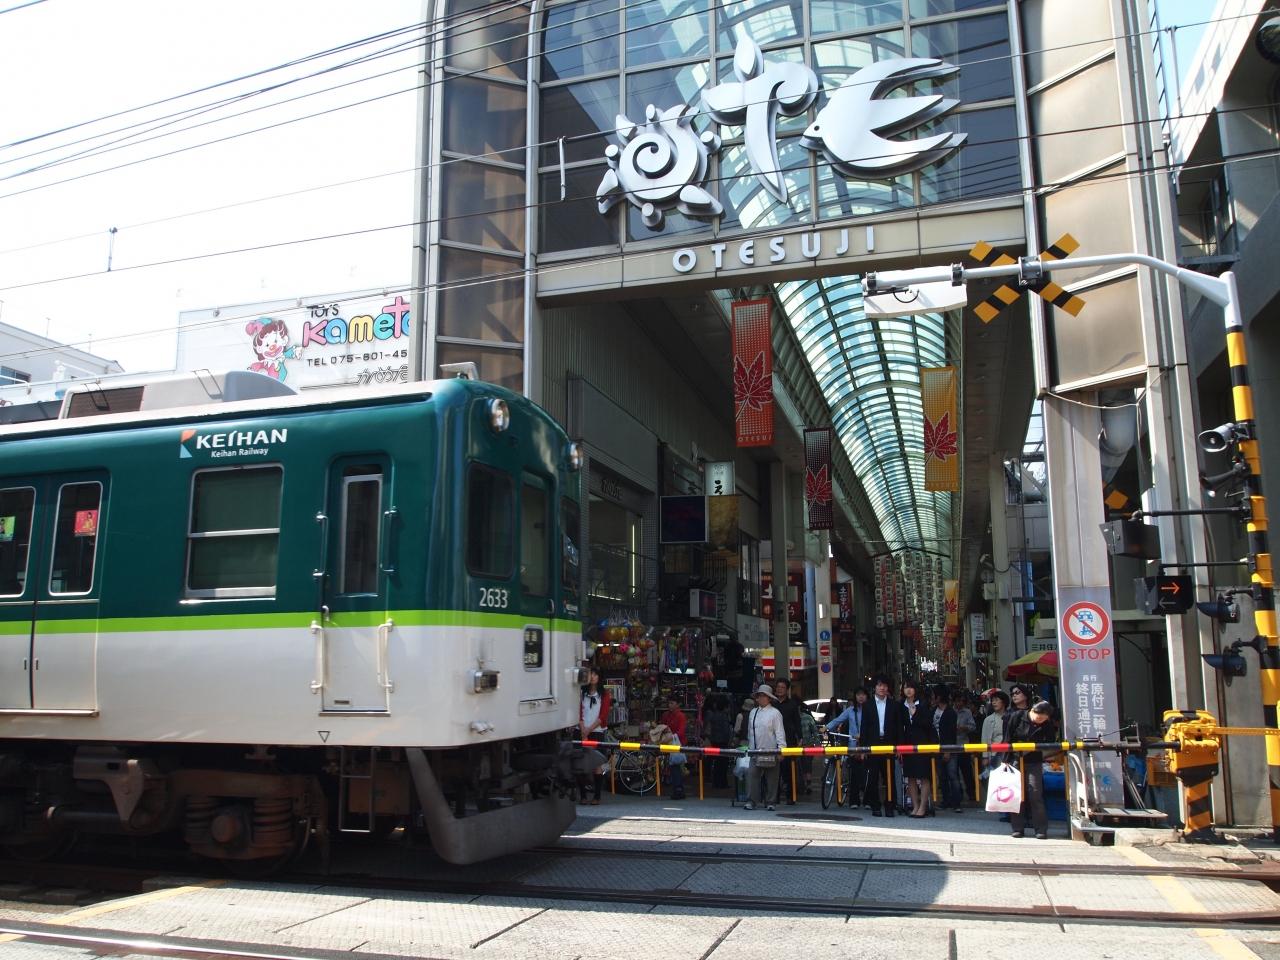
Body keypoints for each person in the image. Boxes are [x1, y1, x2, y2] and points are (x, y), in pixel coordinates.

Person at [1004, 700, 1059, 839]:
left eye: (1043, 719)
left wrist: (1034, 747)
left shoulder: (1046, 724)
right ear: (1032, 711)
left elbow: (1050, 741)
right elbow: (1007, 738)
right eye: (1038, 717)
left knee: (1035, 794)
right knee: (1017, 794)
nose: (1039, 720)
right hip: (1015, 759)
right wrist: (1005, 760)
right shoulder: (1017, 716)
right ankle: (1017, 828)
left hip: (1034, 760)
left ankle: (1041, 829)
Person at [858, 676, 902, 817]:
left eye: (884, 685)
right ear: (875, 688)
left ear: (888, 688)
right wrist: (863, 748)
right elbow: (864, 728)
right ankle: (875, 805)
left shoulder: (894, 705)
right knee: (873, 777)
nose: (882, 688)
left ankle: (890, 805)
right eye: (879, 685)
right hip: (873, 744)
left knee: (889, 776)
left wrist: (899, 747)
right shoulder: (868, 705)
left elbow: (899, 727)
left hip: (889, 744)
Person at [744, 683, 787, 811]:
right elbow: (750, 732)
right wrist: (749, 746)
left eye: (764, 696)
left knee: (772, 778)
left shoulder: (775, 713)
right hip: (755, 750)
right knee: (752, 776)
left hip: (771, 749)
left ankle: (771, 801)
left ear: (769, 698)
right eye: (760, 696)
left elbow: (779, 732)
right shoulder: (753, 712)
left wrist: (781, 749)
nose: (761, 698)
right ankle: (751, 800)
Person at [823, 686, 867, 807]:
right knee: (854, 773)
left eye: (863, 694)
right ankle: (854, 801)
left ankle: (868, 799)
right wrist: (826, 727)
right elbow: (838, 720)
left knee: (867, 773)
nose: (861, 697)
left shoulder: (870, 709)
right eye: (858, 694)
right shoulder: (850, 710)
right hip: (853, 745)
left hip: (867, 745)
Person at [901, 679, 935, 817]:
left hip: (923, 744)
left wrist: (915, 715)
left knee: (924, 776)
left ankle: (923, 806)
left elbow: (928, 724)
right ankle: (915, 806)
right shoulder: (901, 705)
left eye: (911, 687)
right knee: (911, 777)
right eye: (906, 687)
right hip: (907, 745)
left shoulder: (923, 704)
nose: (908, 690)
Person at [578, 669, 612, 804]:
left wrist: (588, 730)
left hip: (597, 731)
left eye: (595, 674)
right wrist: (583, 730)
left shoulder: (604, 694)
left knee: (597, 764)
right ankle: (583, 796)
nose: (592, 677)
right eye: (590, 674)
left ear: (599, 677)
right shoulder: (581, 693)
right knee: (581, 763)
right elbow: (578, 712)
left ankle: (597, 796)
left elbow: (603, 716)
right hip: (581, 730)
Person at [981, 689, 1011, 821]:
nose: (994, 702)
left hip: (1008, 754)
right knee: (997, 783)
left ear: (1004, 702)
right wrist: (985, 756)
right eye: (992, 700)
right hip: (994, 755)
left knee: (1009, 782)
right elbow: (985, 739)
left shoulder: (1011, 716)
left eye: (996, 700)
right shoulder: (989, 720)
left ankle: (1009, 809)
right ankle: (1003, 811)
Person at [931, 684, 962, 813]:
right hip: (937, 747)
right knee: (942, 776)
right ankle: (946, 800)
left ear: (939, 696)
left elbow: (951, 733)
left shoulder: (950, 713)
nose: (932, 698)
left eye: (934, 695)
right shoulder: (933, 711)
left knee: (952, 775)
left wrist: (948, 751)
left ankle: (956, 802)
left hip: (949, 748)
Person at [773, 678, 802, 805]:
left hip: (789, 740)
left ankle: (791, 796)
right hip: (773, 740)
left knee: (789, 769)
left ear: (787, 690)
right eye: (778, 687)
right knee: (774, 770)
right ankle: (775, 796)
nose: (779, 689)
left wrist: (800, 737)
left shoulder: (792, 705)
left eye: (782, 687)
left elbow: (797, 722)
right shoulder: (772, 704)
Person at [648, 723, 687, 800]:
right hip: (675, 749)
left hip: (673, 752)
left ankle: (678, 791)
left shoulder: (663, 730)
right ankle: (679, 790)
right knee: (677, 770)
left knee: (675, 770)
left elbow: (658, 740)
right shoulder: (667, 730)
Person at [702, 693, 734, 788]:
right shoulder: (724, 716)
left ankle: (716, 782)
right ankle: (722, 783)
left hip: (714, 741)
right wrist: (729, 741)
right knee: (723, 764)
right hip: (723, 742)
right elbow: (726, 731)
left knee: (717, 763)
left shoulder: (714, 715)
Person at [954, 692, 977, 803]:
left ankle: (971, 793)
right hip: (953, 745)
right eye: (957, 701)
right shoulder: (951, 711)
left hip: (964, 744)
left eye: (961, 701)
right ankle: (958, 794)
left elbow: (973, 726)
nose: (959, 703)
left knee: (967, 771)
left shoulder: (967, 712)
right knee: (954, 772)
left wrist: (965, 728)